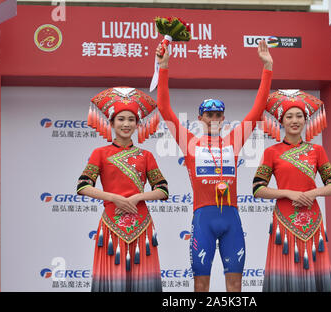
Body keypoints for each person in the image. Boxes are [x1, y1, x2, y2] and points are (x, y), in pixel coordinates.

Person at [155, 40, 273, 292]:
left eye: (219, 114)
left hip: (231, 218)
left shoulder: (234, 139)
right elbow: (164, 108)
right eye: (209, 115)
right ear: (200, 118)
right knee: (201, 284)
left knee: (235, 284)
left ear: (224, 117)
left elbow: (258, 108)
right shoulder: (189, 141)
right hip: (203, 219)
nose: (215, 119)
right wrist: (163, 66)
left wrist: (267, 67)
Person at [77, 87, 168, 292]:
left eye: (131, 120)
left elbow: (162, 190)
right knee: (113, 280)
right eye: (121, 119)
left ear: (137, 125)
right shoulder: (99, 153)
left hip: (141, 225)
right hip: (111, 224)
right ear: (111, 123)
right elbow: (83, 185)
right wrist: (114, 198)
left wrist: (136, 197)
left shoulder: (146, 156)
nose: (126, 124)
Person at [252, 90, 331, 292]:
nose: (294, 120)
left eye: (299, 116)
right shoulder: (271, 152)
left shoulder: (317, 151)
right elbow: (258, 188)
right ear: (281, 122)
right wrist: (288, 193)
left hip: (312, 218)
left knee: (313, 271)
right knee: (286, 273)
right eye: (289, 116)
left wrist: (313, 192)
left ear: (306, 120)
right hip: (284, 220)